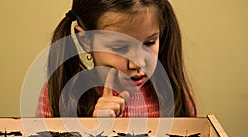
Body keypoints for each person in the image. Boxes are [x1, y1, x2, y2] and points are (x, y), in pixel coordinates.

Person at [36, 0, 197, 118]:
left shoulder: (176, 96)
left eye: (149, 43)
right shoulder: (61, 95)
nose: (138, 63)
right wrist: (95, 132)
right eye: (120, 48)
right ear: (85, 40)